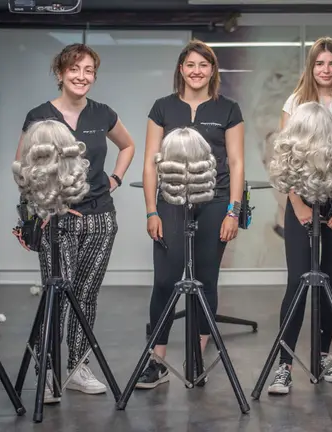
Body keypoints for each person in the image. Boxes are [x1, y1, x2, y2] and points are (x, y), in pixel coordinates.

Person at [16, 43, 136, 403]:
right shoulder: (39, 116)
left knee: (86, 295)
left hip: (100, 217)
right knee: (58, 294)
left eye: (89, 71)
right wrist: (49, 205)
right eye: (75, 69)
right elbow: (22, 167)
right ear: (60, 73)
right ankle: (48, 372)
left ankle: (79, 366)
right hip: (57, 221)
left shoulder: (103, 114)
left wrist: (114, 179)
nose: (82, 77)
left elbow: (127, 146)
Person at [136, 39, 245, 390]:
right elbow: (150, 161)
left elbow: (237, 162)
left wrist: (234, 210)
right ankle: (157, 361)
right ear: (181, 69)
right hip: (169, 202)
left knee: (206, 281)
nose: (197, 71)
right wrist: (152, 210)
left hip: (215, 201)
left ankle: (197, 354)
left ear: (213, 70)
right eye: (190, 64)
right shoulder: (162, 108)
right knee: (165, 281)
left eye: (203, 65)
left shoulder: (228, 109)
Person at [267, 36, 332, 395]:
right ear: (311, 68)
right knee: (298, 282)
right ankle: (283, 365)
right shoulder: (294, 103)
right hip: (303, 200)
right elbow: (286, 159)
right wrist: (297, 204)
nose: (326, 70)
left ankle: (323, 357)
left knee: (329, 282)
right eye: (319, 63)